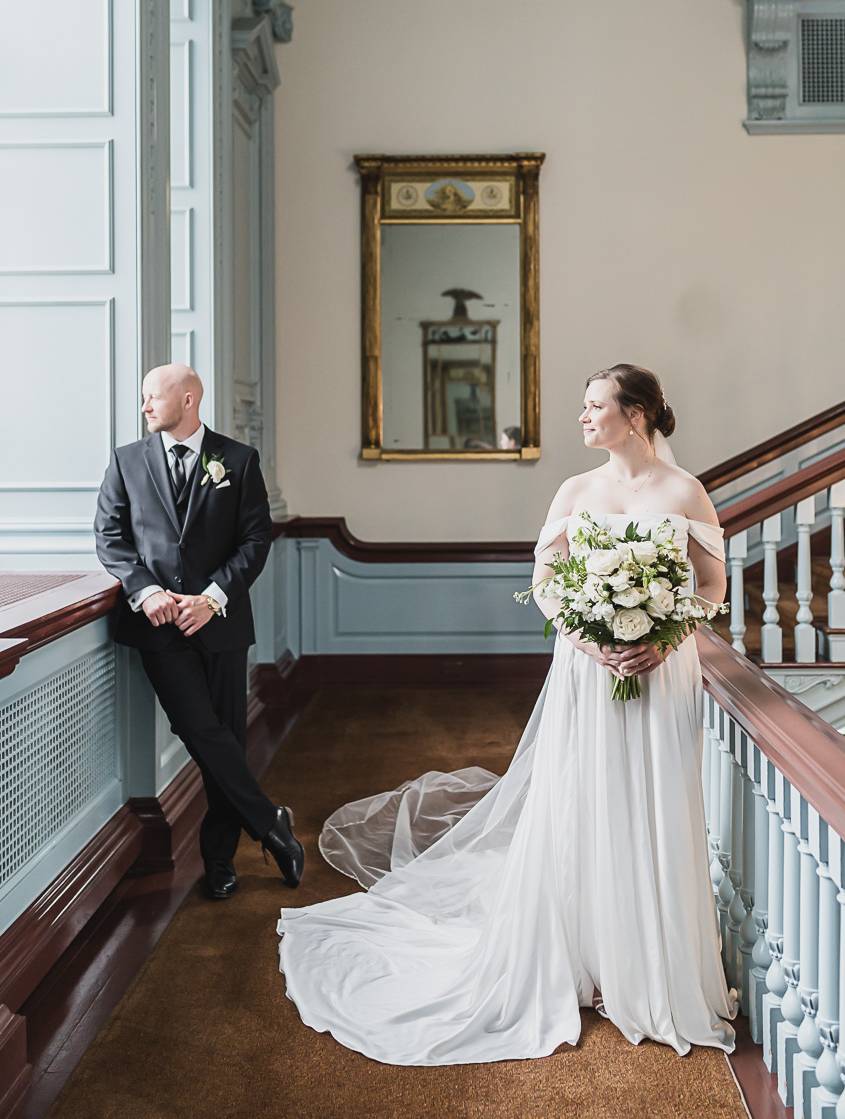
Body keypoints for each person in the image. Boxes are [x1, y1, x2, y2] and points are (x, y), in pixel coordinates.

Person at [276, 362, 737, 1064]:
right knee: (581, 806)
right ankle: (579, 961)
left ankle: (643, 965)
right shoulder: (576, 490)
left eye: (594, 407)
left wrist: (662, 637)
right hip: (589, 677)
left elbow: (711, 586)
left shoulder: (685, 491)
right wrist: (595, 642)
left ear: (636, 414)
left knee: (652, 805)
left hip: (660, 676)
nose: (582, 418)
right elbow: (548, 588)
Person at [94, 364, 304, 901]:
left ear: (187, 399)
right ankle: (270, 822)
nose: (144, 408)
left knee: (226, 739)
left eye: (151, 398)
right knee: (200, 731)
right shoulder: (127, 461)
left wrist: (213, 598)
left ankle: (219, 863)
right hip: (159, 627)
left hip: (222, 624)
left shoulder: (238, 460)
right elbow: (109, 537)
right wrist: (147, 592)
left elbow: (256, 540)